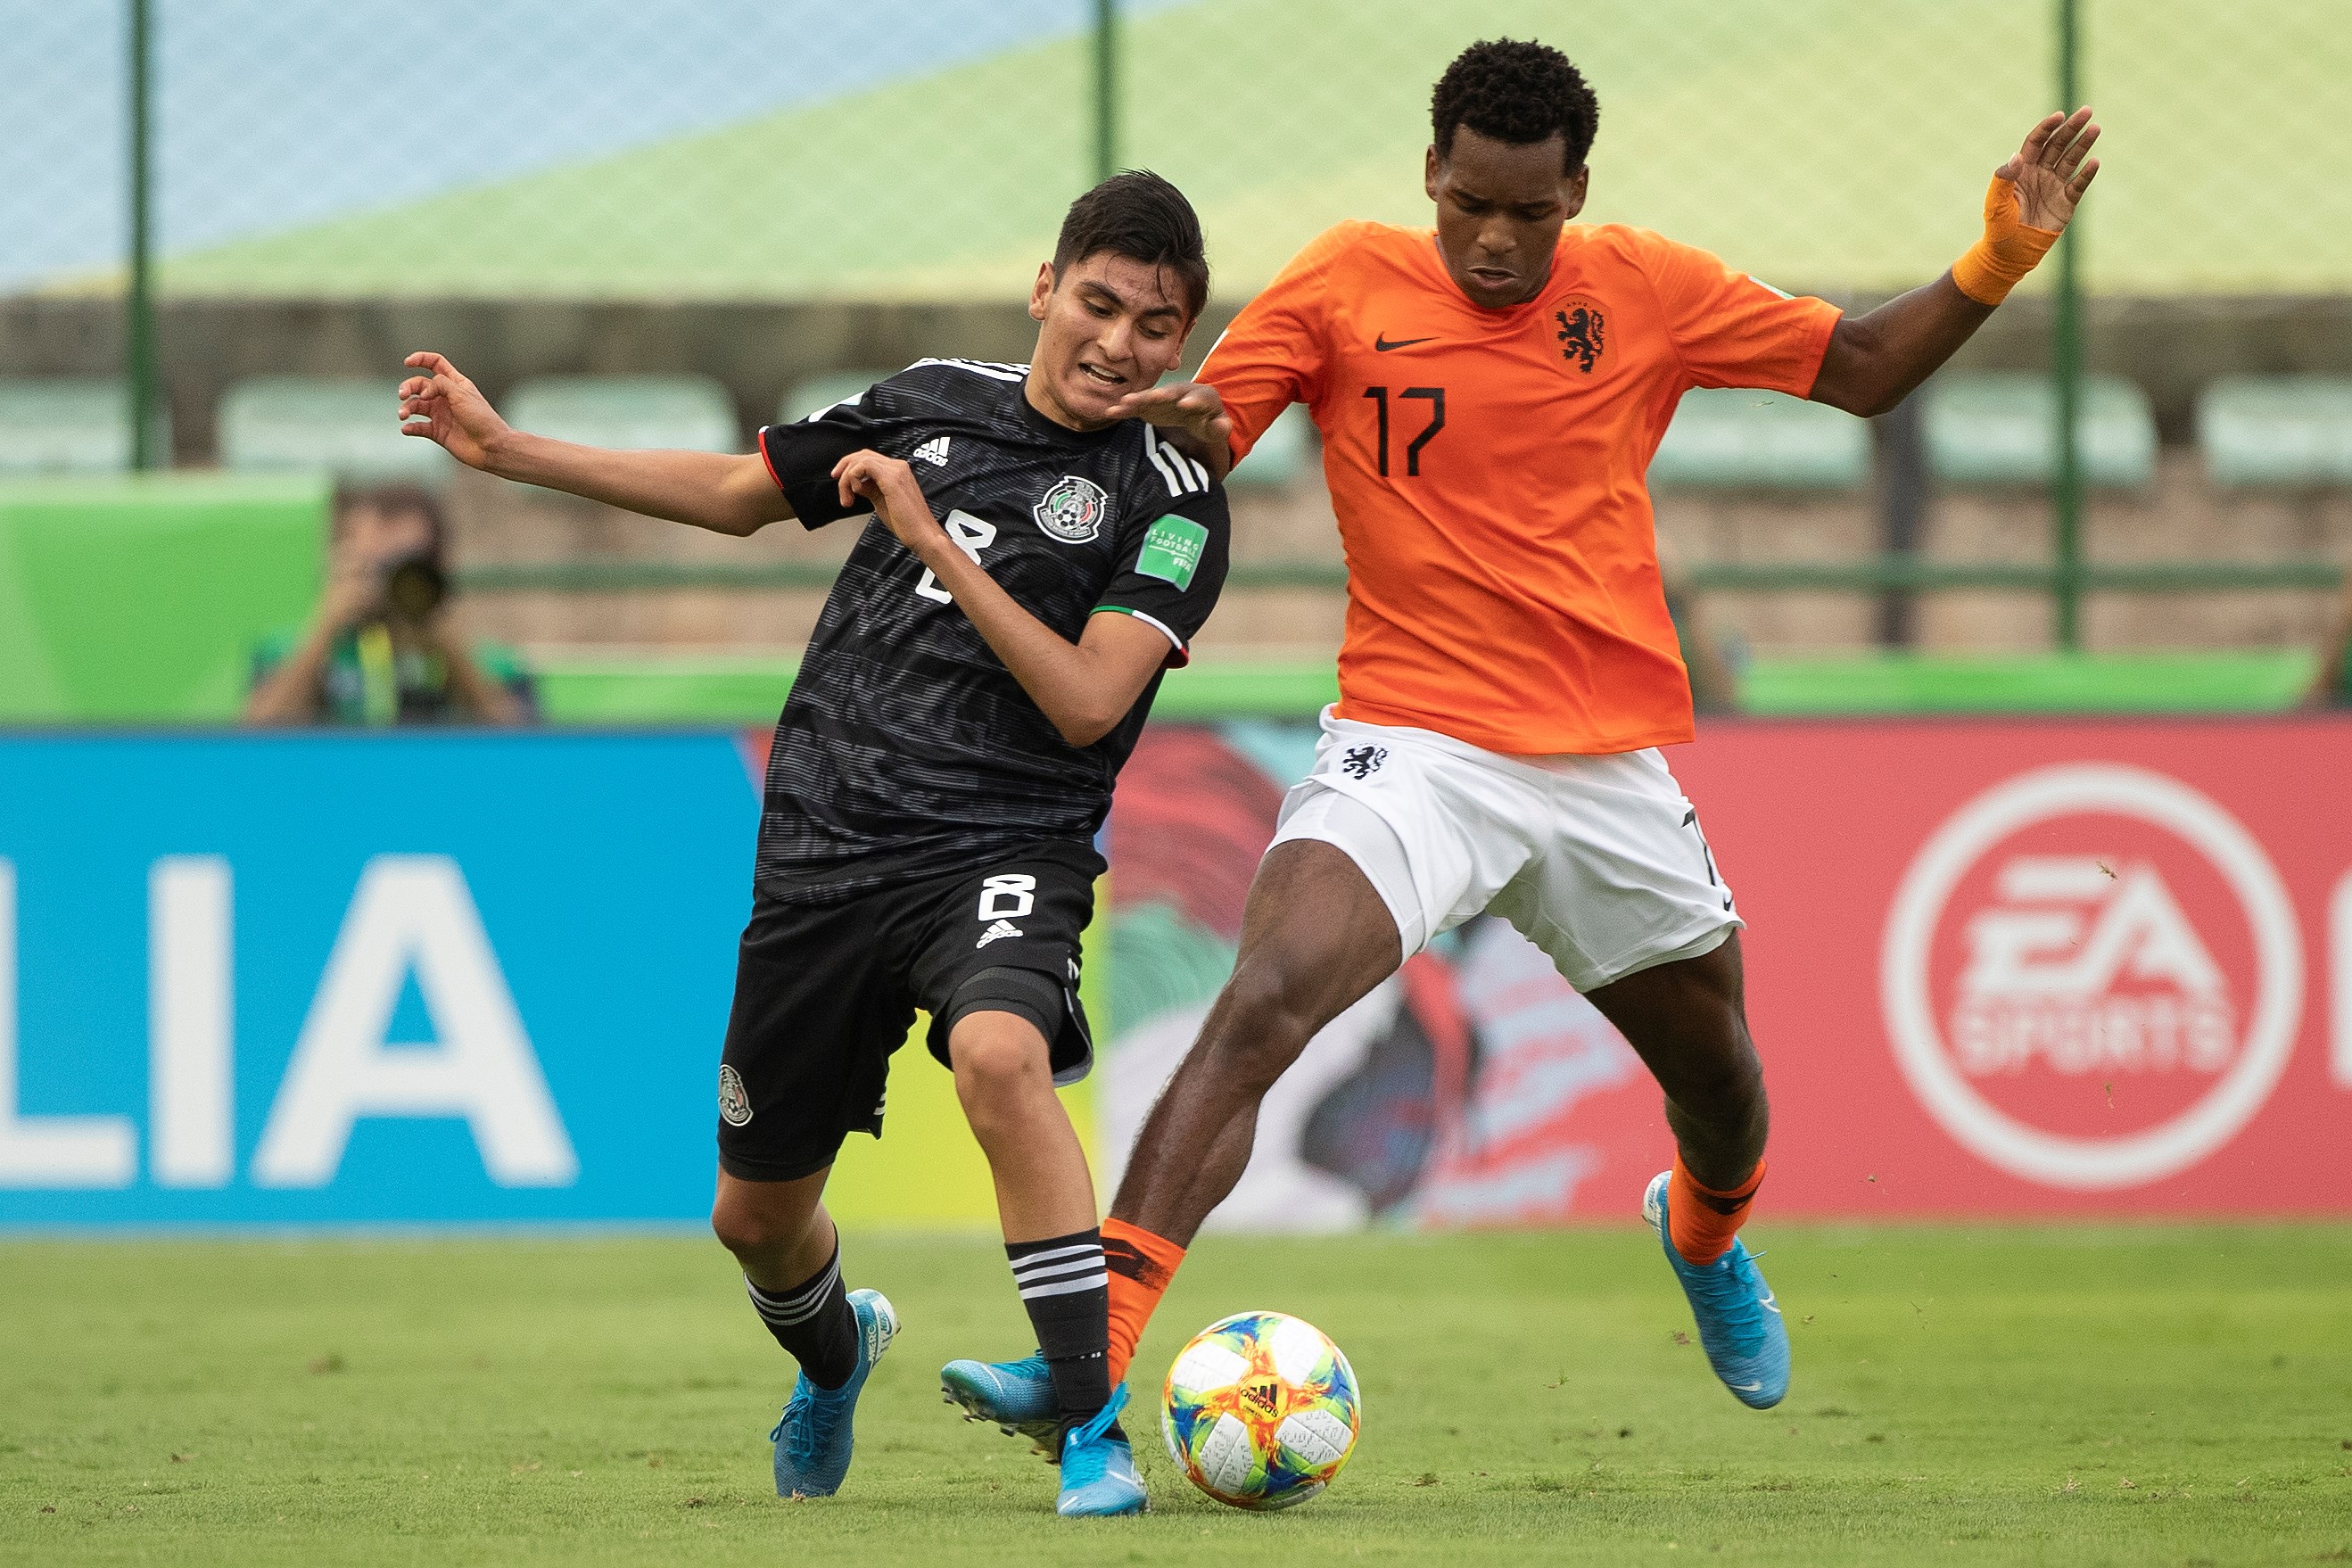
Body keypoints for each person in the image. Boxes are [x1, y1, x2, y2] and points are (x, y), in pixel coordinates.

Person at [949, 37, 2099, 1415]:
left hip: (1600, 765)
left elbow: (1859, 369)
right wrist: (1195, 427)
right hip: (1411, 746)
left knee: (1723, 1082)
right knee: (1260, 999)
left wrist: (1999, 255)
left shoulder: (1648, 290)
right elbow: (1209, 432)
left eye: (1530, 214)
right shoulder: (1339, 284)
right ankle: (1093, 1361)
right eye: (1470, 207)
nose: (1495, 241)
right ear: (1431, 173)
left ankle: (1705, 1229)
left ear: (1578, 192)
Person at [393, 171, 1231, 1517]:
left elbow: (1086, 700)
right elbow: (739, 491)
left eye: (1156, 324)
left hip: (1002, 843)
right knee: (755, 1220)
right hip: (825, 850)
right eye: (1099, 304)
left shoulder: (1175, 494)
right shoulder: (933, 398)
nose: (1119, 343)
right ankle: (837, 1354)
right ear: (1045, 289)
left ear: (1183, 343)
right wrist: (508, 452)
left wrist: (929, 539)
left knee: (1004, 1055)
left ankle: (1090, 1421)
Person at [243, 483, 534, 726]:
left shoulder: (493, 664)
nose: (389, 582)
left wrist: (452, 650)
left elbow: (534, 753)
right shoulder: (285, 652)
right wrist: (326, 629)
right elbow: (252, 744)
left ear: (436, 569)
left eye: (406, 566)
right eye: (373, 564)